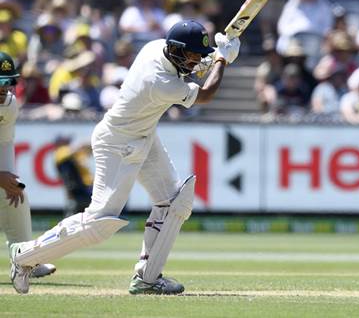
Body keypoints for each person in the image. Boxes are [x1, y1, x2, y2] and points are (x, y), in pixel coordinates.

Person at [9, 20, 240, 295]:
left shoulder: (157, 47)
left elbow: (193, 65)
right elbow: (205, 94)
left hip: (143, 135)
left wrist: (212, 56)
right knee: (99, 223)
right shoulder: (159, 81)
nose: (193, 62)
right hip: (117, 142)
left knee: (175, 200)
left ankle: (148, 278)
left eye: (196, 57)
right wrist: (222, 60)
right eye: (189, 56)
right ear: (176, 51)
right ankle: (24, 256)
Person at [0, 52, 57, 292]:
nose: (5, 88)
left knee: (17, 195)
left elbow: (4, 142)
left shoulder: (10, 104)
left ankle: (25, 259)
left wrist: (8, 178)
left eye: (9, 82)